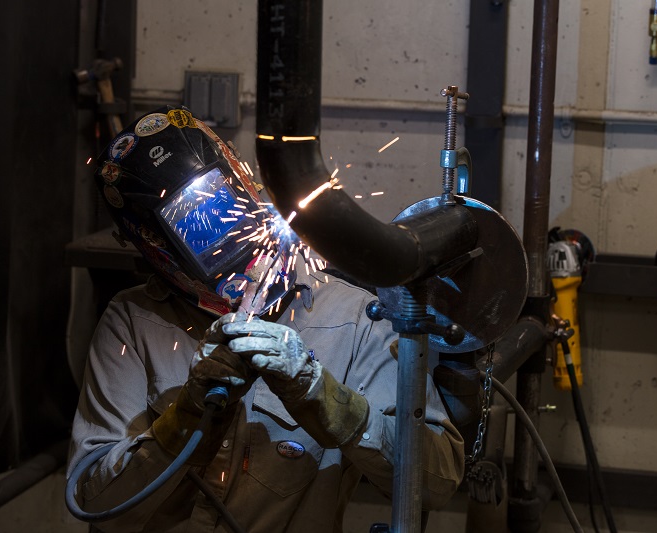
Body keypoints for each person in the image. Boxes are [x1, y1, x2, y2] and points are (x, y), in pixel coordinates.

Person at [67, 105, 464, 532]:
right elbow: (94, 501)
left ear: (246, 184)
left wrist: (329, 401)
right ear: (156, 253)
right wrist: (182, 419)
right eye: (192, 232)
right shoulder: (133, 323)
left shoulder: (354, 318)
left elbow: (437, 482)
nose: (225, 248)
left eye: (224, 209)